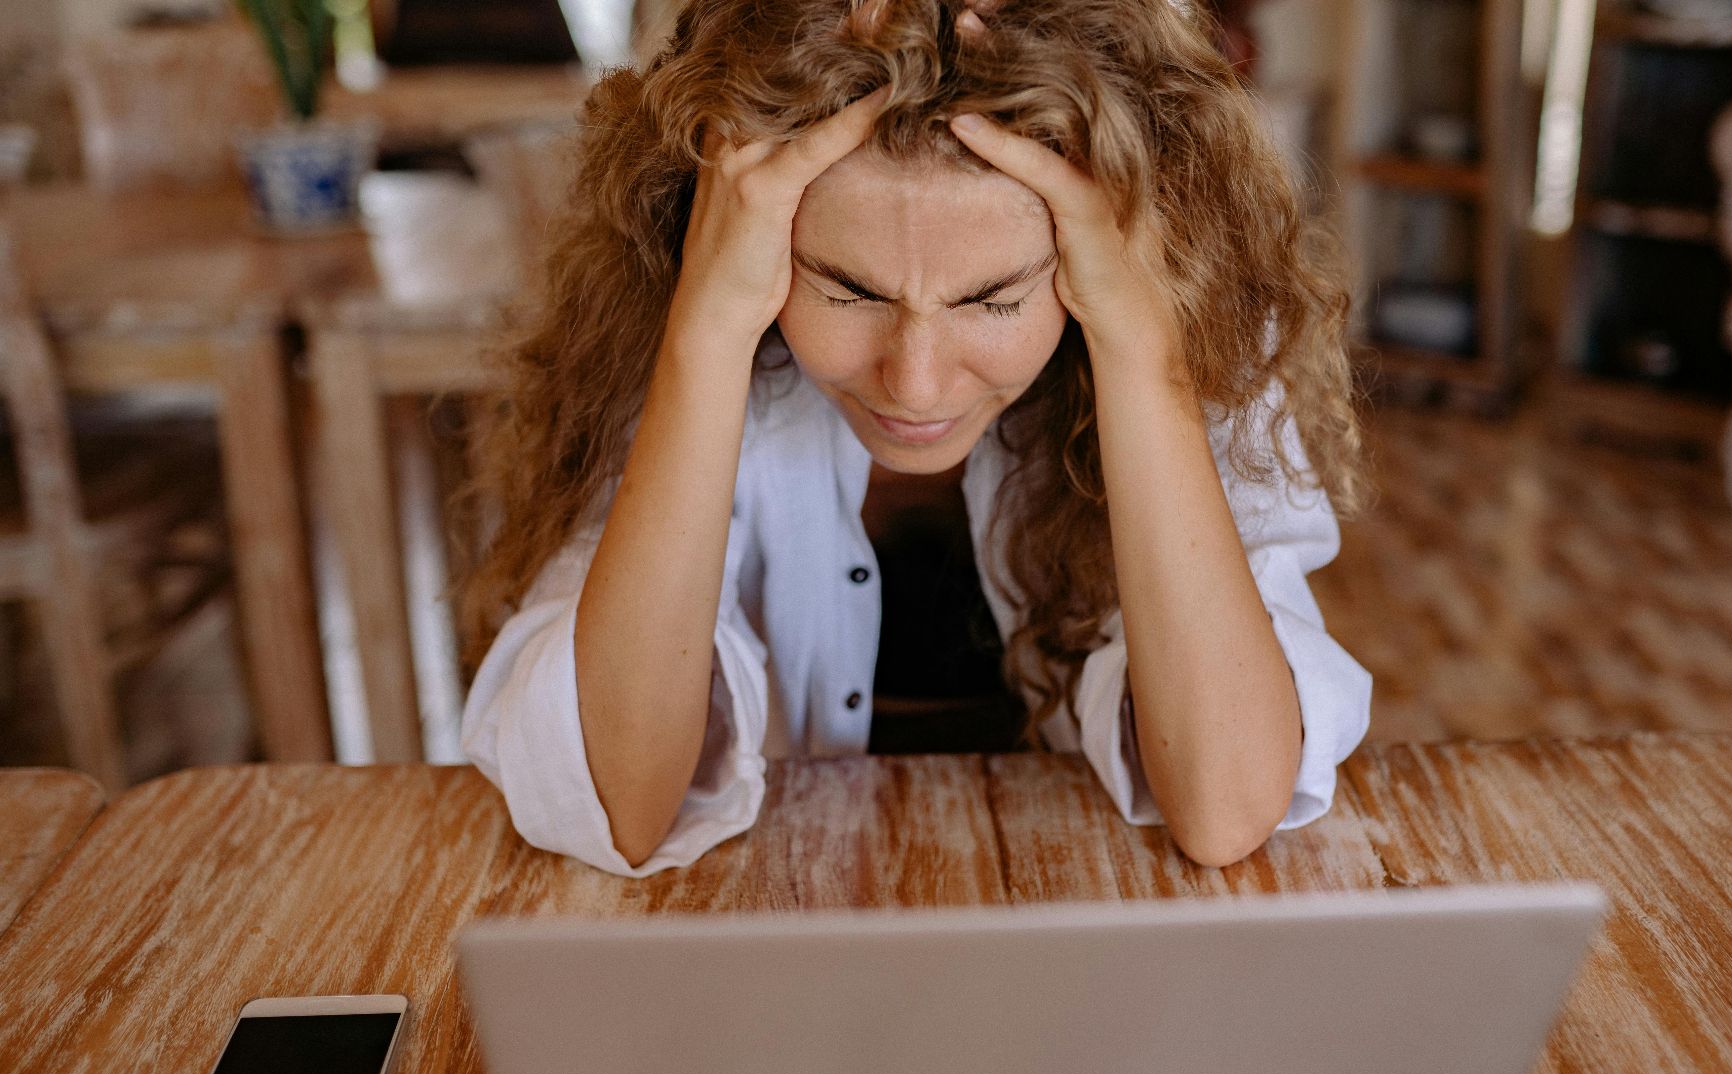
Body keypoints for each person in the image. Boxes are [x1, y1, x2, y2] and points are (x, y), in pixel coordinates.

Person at [458, 0, 1371, 878]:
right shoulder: (678, 329)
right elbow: (617, 806)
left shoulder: (1191, 340)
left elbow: (1226, 809)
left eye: (993, 299)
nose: (916, 383)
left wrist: (1140, 351)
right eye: (849, 291)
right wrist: (706, 332)